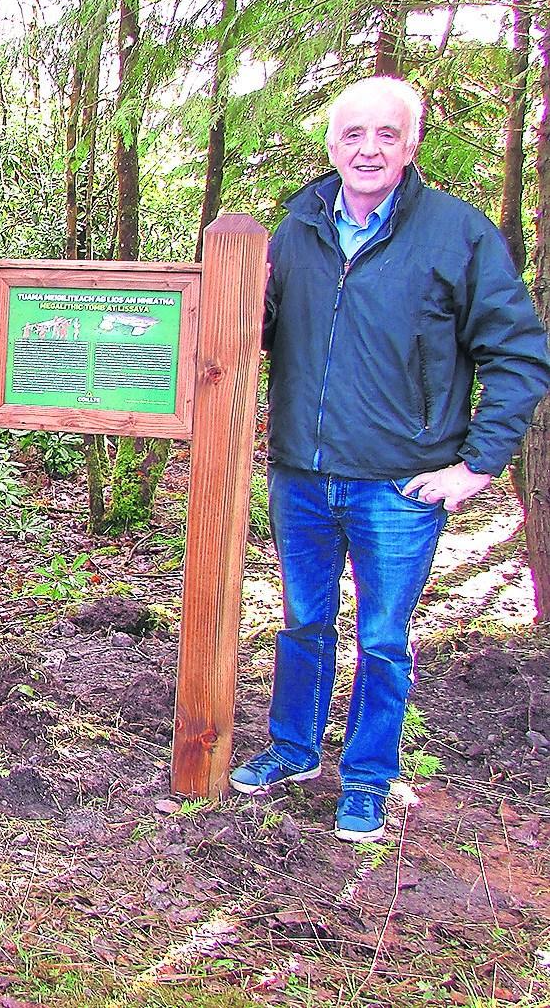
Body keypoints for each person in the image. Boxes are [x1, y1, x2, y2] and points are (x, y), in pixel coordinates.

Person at [231, 76, 550, 842]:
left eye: (386, 135)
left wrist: (477, 465)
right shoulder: (297, 228)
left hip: (401, 485)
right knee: (303, 620)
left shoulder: (458, 235)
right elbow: (256, 331)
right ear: (331, 145)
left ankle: (368, 778)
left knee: (382, 635)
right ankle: (294, 748)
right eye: (353, 135)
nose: (367, 149)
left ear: (411, 145)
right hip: (302, 475)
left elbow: (517, 354)